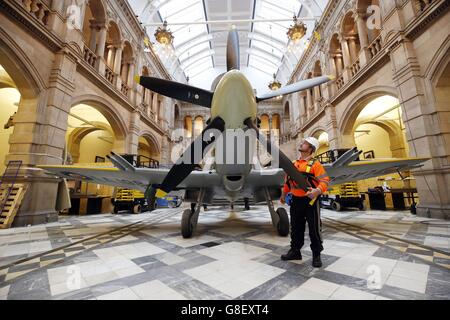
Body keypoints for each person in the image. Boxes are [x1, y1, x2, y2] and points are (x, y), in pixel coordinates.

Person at [280, 137, 330, 268]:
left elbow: (325, 181)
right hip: (296, 201)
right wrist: (283, 194)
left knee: (314, 228)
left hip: (311, 201)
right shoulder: (294, 163)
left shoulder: (315, 165)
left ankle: (316, 255)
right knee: (296, 228)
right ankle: (295, 251)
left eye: (305, 143)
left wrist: (317, 191)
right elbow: (287, 181)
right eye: (303, 142)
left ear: (311, 149)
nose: (302, 143)